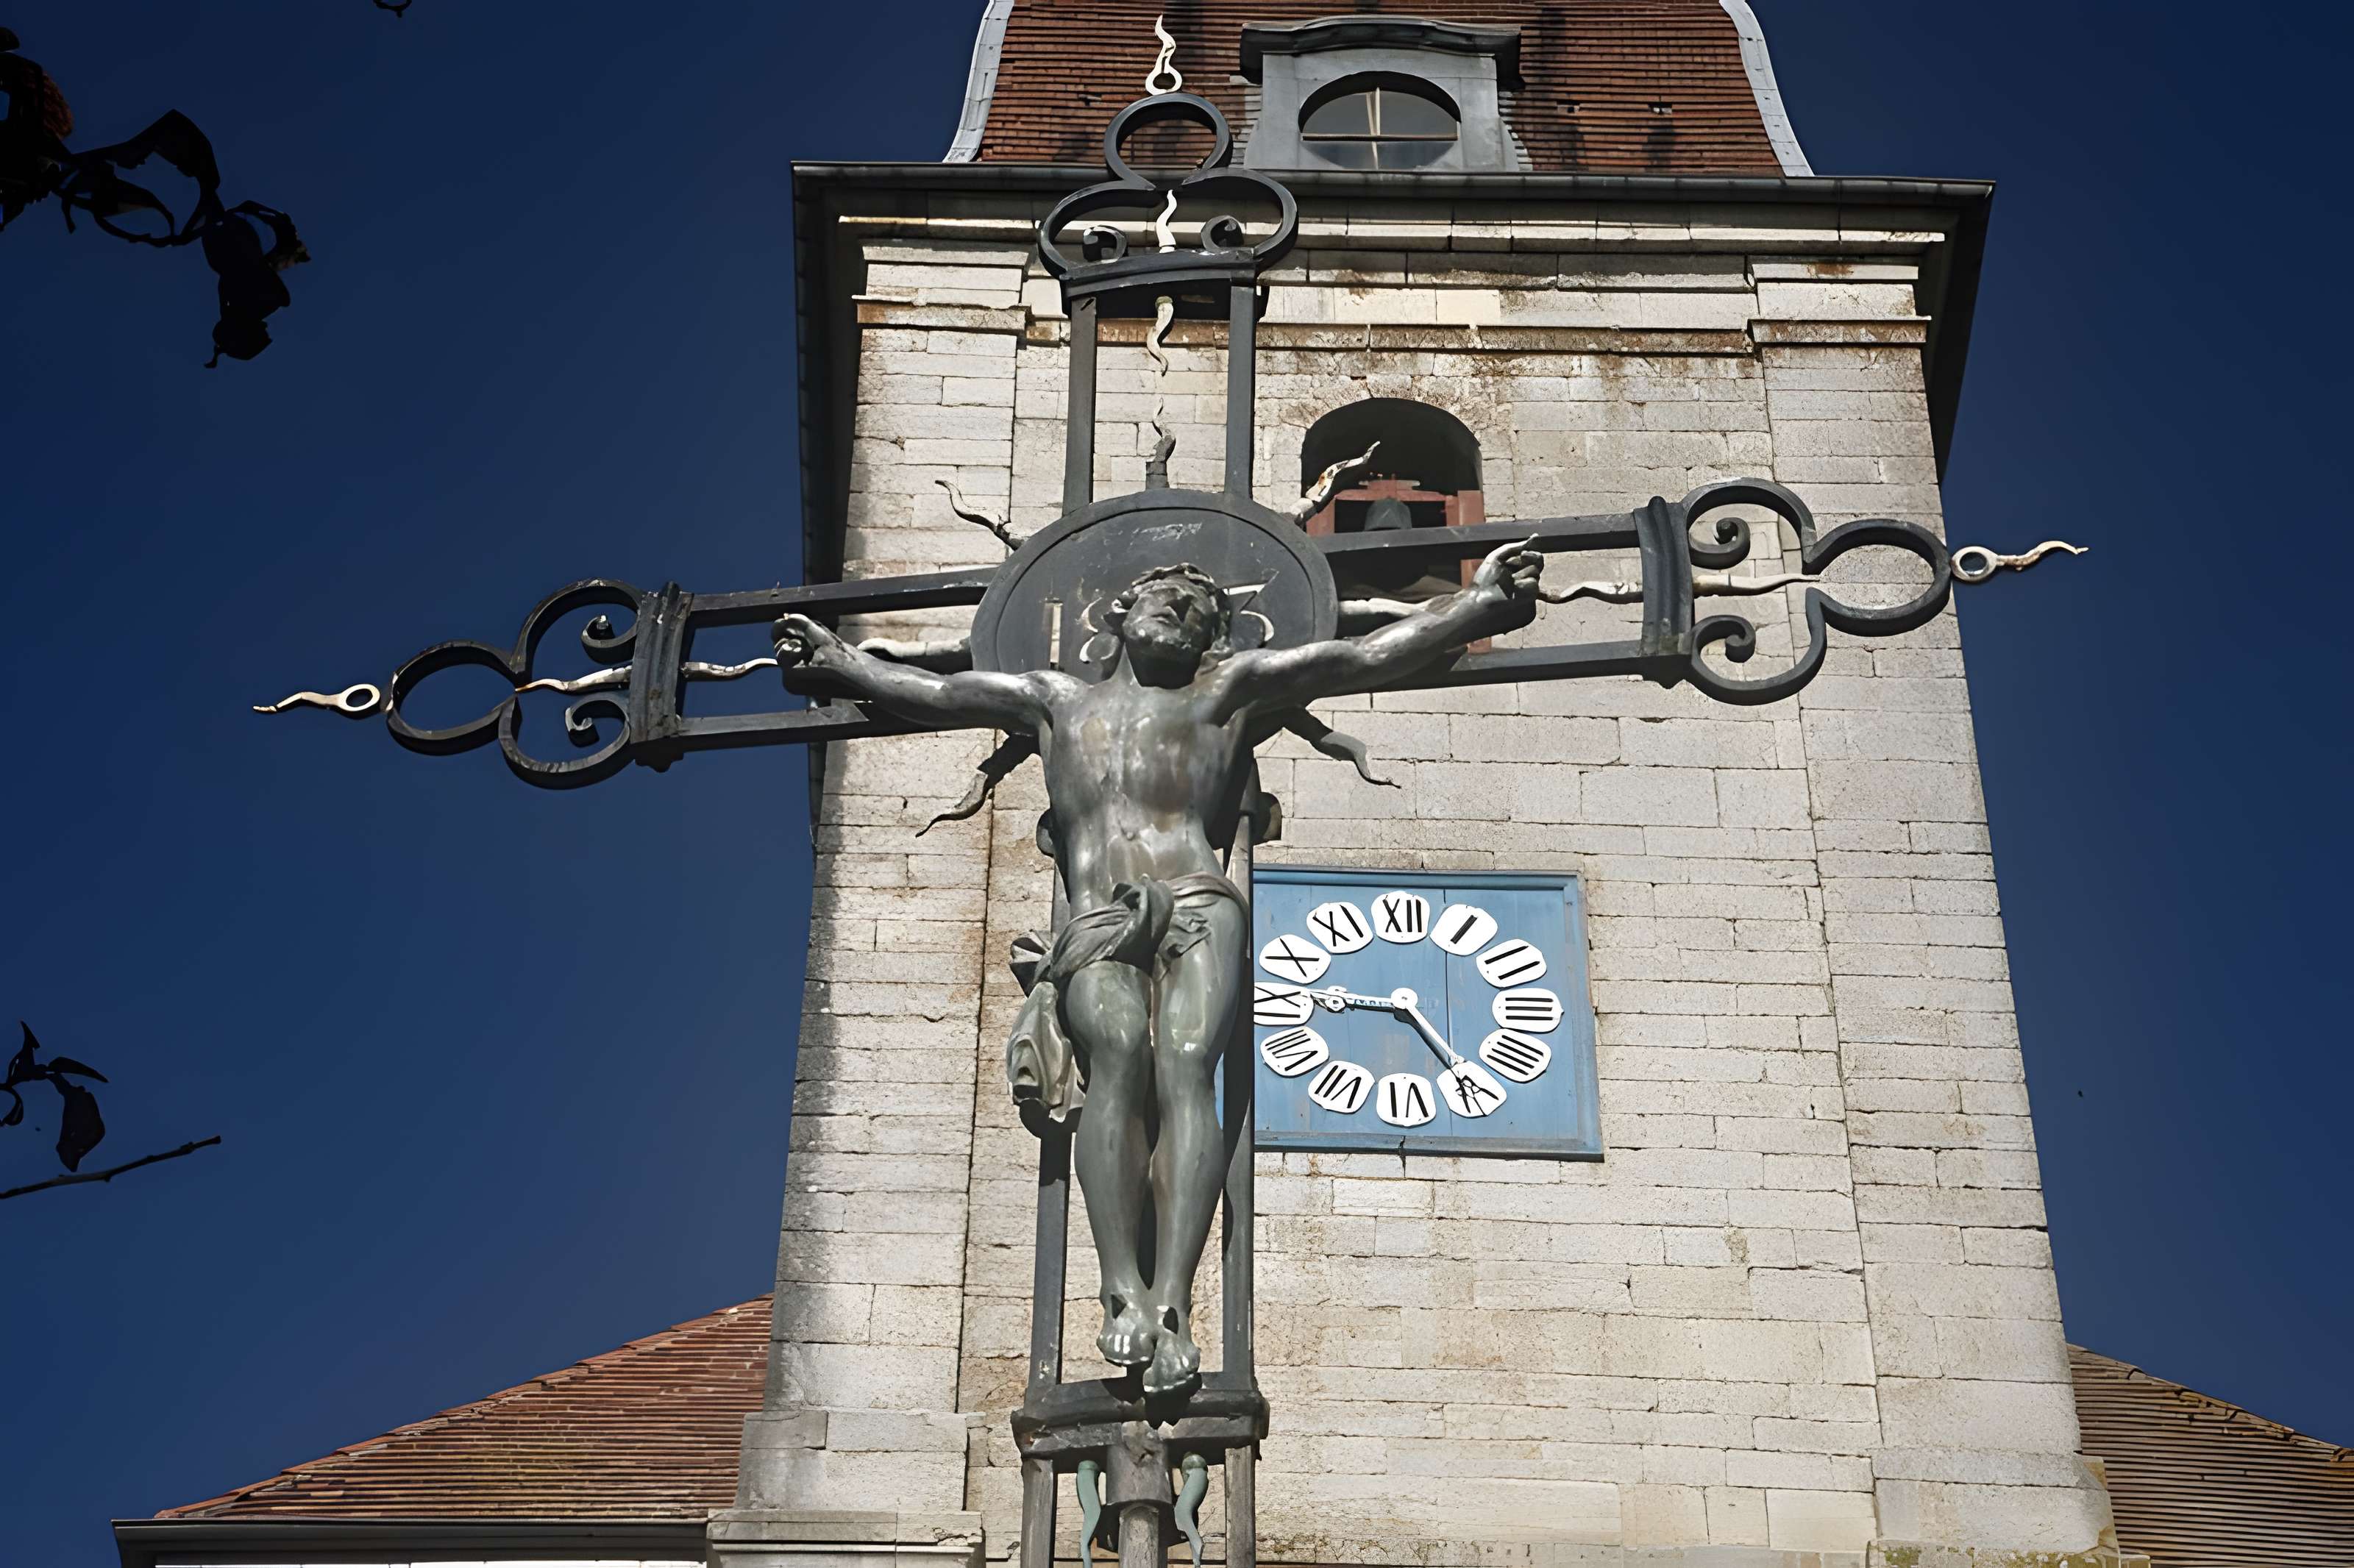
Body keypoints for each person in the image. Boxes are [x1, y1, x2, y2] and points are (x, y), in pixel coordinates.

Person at [774, 537, 1543, 1394]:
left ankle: (1171, 1297)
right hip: (1099, 915)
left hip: (1196, 898)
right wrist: (840, 661)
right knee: (1118, 1059)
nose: (1178, 611)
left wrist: (1477, 605)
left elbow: (1360, 653)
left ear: (1216, 638)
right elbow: (941, 691)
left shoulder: (1228, 692)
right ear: (1117, 616)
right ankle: (1121, 1288)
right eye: (1164, 597)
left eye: (1198, 610)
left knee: (1184, 1065)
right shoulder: (1052, 700)